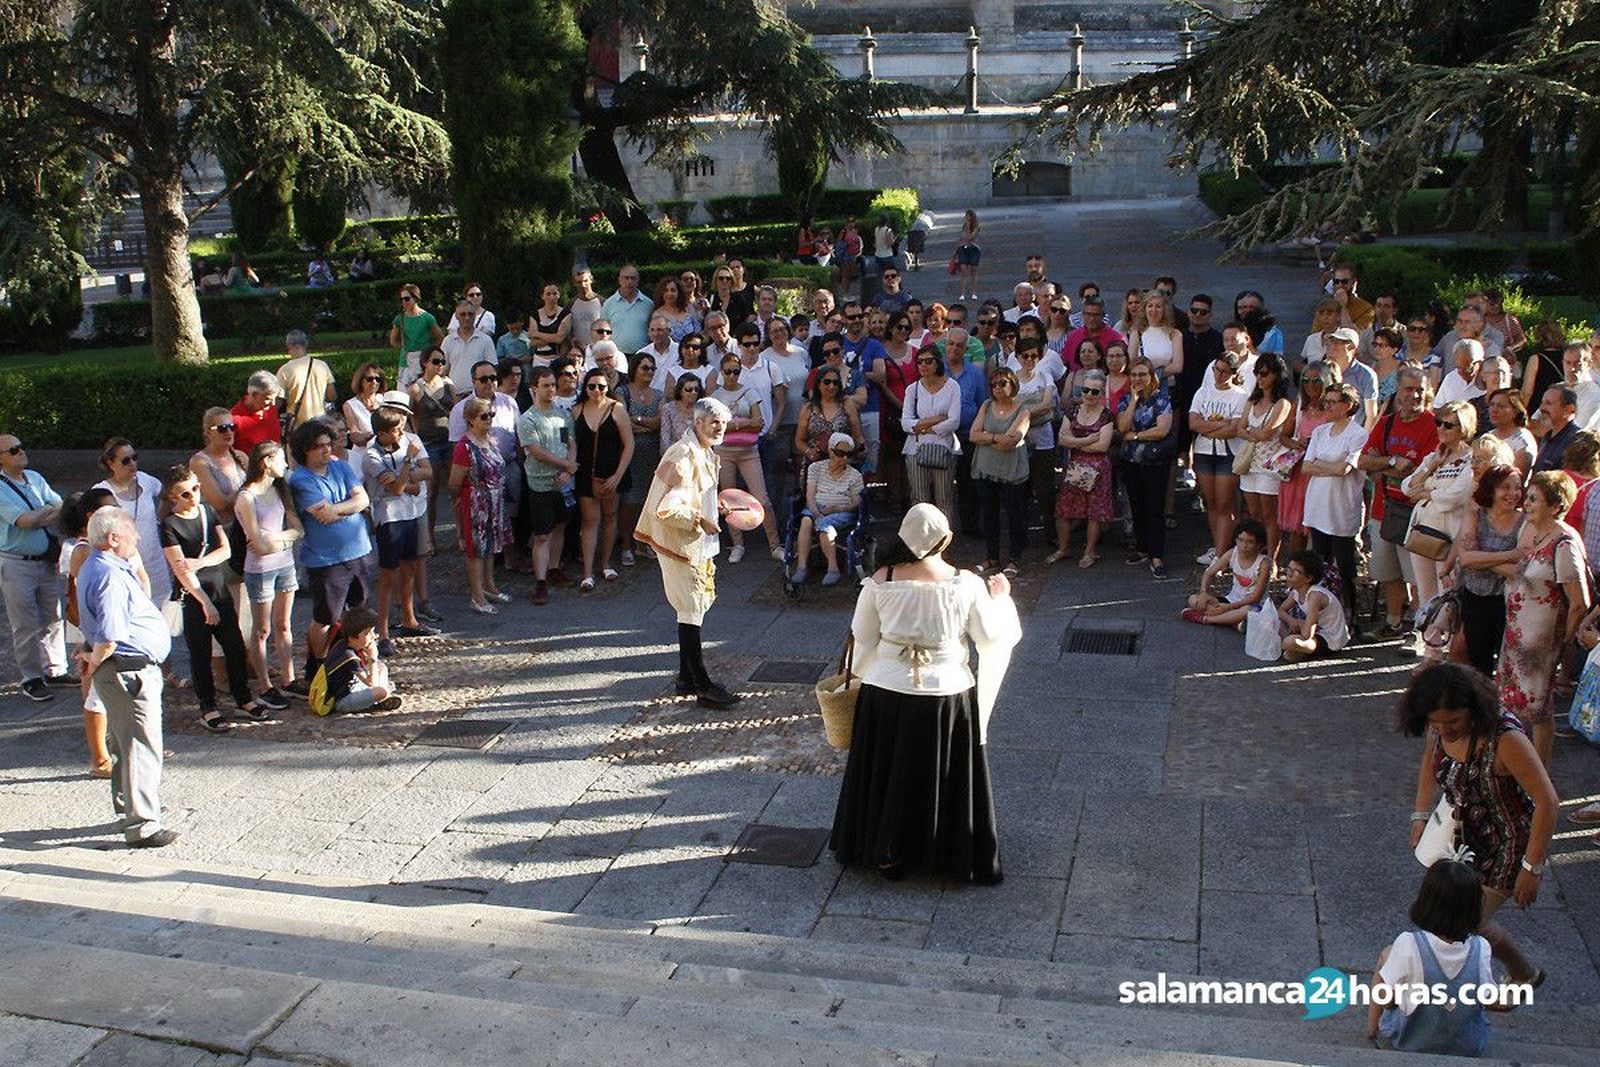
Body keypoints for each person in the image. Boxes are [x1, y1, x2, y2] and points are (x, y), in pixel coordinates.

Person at [830, 503, 1021, 883]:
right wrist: (1002, 597)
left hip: (886, 692)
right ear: (945, 539)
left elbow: (863, 638)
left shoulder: (879, 581)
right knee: (939, 775)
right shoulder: (966, 584)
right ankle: (945, 852)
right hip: (947, 694)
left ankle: (887, 850)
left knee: (890, 773)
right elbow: (991, 637)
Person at [1399, 664, 1558, 994]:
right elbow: (1430, 765)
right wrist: (1419, 814)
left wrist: (1532, 868)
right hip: (1463, 839)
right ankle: (1521, 974)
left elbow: (1547, 801)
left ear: (1473, 709)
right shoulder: (1440, 728)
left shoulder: (1506, 739)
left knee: (1466, 921)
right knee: (1450, 916)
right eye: (1435, 723)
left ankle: (1508, 978)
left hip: (1507, 844)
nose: (1444, 730)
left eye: (1453, 722)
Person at [76, 506, 178, 847]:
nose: (137, 536)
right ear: (113, 538)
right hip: (128, 669)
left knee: (124, 742)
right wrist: (93, 658)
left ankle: (129, 806)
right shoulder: (109, 574)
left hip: (120, 669)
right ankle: (143, 824)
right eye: (131, 530)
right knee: (140, 745)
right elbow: (109, 635)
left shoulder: (99, 566)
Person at [635, 397, 741, 709]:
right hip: (680, 541)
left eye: (722, 422)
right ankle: (702, 684)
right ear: (698, 423)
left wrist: (714, 506)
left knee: (691, 609)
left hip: (693, 540)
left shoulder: (704, 451)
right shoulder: (683, 454)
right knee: (691, 607)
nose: (720, 428)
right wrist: (699, 519)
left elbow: (695, 494)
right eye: (714, 422)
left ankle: (685, 677)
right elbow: (667, 507)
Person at [159, 465, 273, 732]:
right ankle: (207, 707)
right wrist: (204, 602)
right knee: (200, 653)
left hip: (219, 589)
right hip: (194, 597)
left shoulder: (208, 512)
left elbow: (225, 551)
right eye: (186, 493)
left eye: (196, 489)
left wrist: (197, 563)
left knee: (234, 646)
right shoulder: (169, 525)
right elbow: (180, 571)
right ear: (174, 498)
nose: (194, 496)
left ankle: (243, 697)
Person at [1499, 470, 1589, 765]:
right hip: (1517, 634)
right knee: (1514, 704)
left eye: (1534, 499)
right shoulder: (1534, 532)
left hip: (1541, 641)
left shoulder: (1564, 543)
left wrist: (1563, 643)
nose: (1526, 503)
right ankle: (1518, 766)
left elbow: (1580, 602)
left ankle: (1539, 773)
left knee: (1537, 709)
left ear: (1555, 506)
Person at [1366, 859, 1493, 1055]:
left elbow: (1387, 1001)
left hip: (1408, 1043)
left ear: (1426, 901)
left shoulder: (1408, 943)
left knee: (1386, 954)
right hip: (1466, 1048)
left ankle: (1372, 1030)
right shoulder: (1481, 948)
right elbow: (1488, 998)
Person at [287, 419, 371, 688]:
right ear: (305, 451)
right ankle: (317, 666)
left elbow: (363, 499)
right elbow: (323, 515)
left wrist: (339, 509)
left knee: (357, 612)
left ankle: (350, 662)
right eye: (318, 447)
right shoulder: (301, 479)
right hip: (326, 560)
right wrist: (350, 507)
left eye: (328, 444)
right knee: (326, 618)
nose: (326, 450)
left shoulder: (341, 466)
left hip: (357, 551)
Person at [1358, 368, 1438, 643]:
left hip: (1417, 514)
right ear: (1397, 392)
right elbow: (1363, 462)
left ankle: (1419, 630)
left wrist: (1384, 465)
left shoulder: (1434, 425)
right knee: (1388, 572)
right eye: (1408, 389)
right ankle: (1392, 623)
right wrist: (1392, 462)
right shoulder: (1387, 423)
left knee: (1417, 577)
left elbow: (1422, 474)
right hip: (1384, 508)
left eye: (1420, 389)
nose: (1415, 395)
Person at [0, 433, 70, 701]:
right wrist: (43, 514)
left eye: (21, 446)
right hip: (16, 564)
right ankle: (31, 676)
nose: (21, 452)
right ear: (1, 459)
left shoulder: (35, 478)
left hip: (45, 561)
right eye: (14, 450)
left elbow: (61, 506)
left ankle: (56, 669)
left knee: (54, 616)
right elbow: (24, 522)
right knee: (25, 623)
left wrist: (38, 516)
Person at [234, 442, 302, 706]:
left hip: (284, 564)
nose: (285, 465)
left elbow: (298, 528)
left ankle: (289, 678)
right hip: (261, 570)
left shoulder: (280, 488)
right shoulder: (246, 497)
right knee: (262, 629)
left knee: (283, 624)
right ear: (266, 461)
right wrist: (285, 538)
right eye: (281, 459)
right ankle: (264, 685)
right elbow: (257, 545)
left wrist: (276, 539)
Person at [364, 408, 436, 654]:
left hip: (411, 513)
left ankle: (409, 619)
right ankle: (383, 632)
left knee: (411, 567)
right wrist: (408, 465)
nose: (400, 434)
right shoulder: (372, 457)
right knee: (388, 576)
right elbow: (397, 488)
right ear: (382, 434)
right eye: (395, 431)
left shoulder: (406, 442)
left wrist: (409, 483)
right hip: (390, 518)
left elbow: (425, 475)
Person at [58, 491, 117, 774]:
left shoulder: (99, 545)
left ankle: (109, 741)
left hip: (99, 624)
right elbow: (86, 595)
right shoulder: (83, 550)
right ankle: (101, 755)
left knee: (97, 682)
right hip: (92, 625)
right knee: (93, 684)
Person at [1401, 400, 1477, 611]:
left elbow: (1456, 496)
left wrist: (1425, 493)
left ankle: (1449, 641)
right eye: (1439, 422)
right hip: (1422, 532)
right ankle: (1430, 642)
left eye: (1448, 425)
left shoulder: (1471, 460)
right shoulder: (1433, 456)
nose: (1441, 428)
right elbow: (1407, 486)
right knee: (1426, 593)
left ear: (1463, 429)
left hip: (1449, 535)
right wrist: (1431, 467)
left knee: (1448, 594)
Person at [1301, 383, 1369, 614]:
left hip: (1341, 509)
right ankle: (1320, 609)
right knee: (1320, 563)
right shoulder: (1320, 431)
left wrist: (1324, 465)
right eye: (1325, 401)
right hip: (1318, 506)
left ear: (1347, 405)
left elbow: (1346, 469)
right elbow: (1307, 466)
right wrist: (1331, 466)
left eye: (1332, 402)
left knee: (1345, 565)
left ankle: (1351, 612)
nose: (1326, 406)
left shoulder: (1358, 434)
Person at [1455, 464, 1524, 678]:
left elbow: (1520, 572)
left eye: (1518, 488)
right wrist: (1510, 554)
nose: (1513, 494)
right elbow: (1466, 559)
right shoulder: (1475, 515)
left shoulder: (1525, 522)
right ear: (1491, 489)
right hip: (1475, 599)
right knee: (1479, 662)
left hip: (1509, 601)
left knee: (1508, 664)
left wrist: (1481, 558)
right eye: (1505, 487)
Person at [92, 438, 171, 623]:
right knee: (131, 615)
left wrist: (160, 518)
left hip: (155, 560)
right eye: (125, 460)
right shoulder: (102, 491)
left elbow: (168, 494)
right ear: (111, 463)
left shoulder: (146, 480)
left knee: (162, 616)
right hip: (125, 563)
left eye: (134, 458)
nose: (132, 464)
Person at [711, 355, 780, 563]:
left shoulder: (749, 392)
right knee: (729, 500)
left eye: (736, 371)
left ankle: (775, 545)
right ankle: (737, 543)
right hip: (724, 452)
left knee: (763, 499)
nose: (732, 376)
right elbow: (715, 426)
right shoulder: (716, 395)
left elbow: (759, 422)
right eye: (728, 371)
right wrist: (744, 423)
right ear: (721, 372)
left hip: (749, 451)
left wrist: (731, 424)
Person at [517, 368, 578, 606]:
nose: (551, 389)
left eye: (553, 384)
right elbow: (535, 451)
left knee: (560, 527)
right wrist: (566, 465)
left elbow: (570, 442)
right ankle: (540, 581)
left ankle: (554, 568)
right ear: (534, 388)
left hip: (564, 482)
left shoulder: (564, 415)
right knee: (543, 534)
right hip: (541, 483)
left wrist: (569, 467)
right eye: (545, 385)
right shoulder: (528, 419)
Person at [449, 396, 513, 612]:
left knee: (491, 546)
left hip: (494, 502)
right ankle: (477, 595)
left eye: (491, 415)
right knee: (476, 550)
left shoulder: (490, 440)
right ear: (470, 419)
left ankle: (490, 586)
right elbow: (454, 483)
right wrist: (463, 500)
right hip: (475, 503)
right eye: (484, 416)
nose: (489, 420)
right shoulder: (464, 447)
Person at [573, 367, 634, 590]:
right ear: (585, 387)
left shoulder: (617, 409)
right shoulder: (576, 410)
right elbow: (573, 445)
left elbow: (629, 444)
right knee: (590, 521)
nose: (596, 390)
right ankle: (587, 573)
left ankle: (606, 563)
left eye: (601, 386)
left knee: (610, 516)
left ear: (608, 388)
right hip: (586, 474)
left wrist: (618, 475)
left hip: (612, 473)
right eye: (591, 386)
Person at [1188, 350, 1249, 565]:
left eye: (1224, 371)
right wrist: (1219, 426)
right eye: (1216, 370)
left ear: (1233, 373)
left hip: (1228, 454)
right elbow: (1193, 423)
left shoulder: (1241, 396)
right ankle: (1218, 548)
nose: (1219, 375)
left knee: (1225, 504)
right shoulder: (1202, 393)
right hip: (1204, 452)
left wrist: (1208, 428)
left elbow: (1233, 429)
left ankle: (1222, 554)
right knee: (1211, 502)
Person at [1117, 356, 1177, 579]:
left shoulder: (1161, 399)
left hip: (1155, 461)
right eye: (1134, 375)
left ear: (1151, 376)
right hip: (1131, 461)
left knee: (1154, 507)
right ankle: (1142, 548)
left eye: (1142, 374)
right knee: (1137, 505)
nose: (1138, 378)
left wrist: (1136, 435)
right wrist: (1133, 402)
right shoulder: (1126, 400)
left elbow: (1162, 430)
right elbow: (1122, 427)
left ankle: (1157, 555)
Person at [969, 367, 1032, 576]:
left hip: (1012, 471)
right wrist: (997, 437)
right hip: (985, 469)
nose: (997, 388)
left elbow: (1013, 440)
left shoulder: (1023, 410)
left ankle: (1015, 558)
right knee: (989, 515)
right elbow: (973, 435)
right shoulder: (986, 406)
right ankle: (991, 557)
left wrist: (988, 436)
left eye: (1002, 383)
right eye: (993, 384)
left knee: (1015, 515)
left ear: (1012, 384)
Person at [1049, 369, 1115, 568]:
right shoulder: (1073, 412)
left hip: (1098, 469)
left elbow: (1102, 446)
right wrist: (1086, 440)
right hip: (1075, 467)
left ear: (1102, 393)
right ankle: (1063, 548)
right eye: (1086, 390)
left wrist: (1074, 441)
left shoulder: (1106, 415)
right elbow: (1061, 439)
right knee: (1063, 510)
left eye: (1095, 391)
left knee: (1094, 512)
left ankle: (1089, 551)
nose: (1089, 394)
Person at [1235, 352, 1293, 567]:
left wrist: (1251, 432)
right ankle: (1256, 557)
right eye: (1257, 373)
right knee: (1253, 513)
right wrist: (1253, 432)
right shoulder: (1252, 400)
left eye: (1265, 373)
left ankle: (1272, 559)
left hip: (1269, 465)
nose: (1260, 378)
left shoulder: (1282, 403)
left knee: (1270, 516)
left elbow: (1267, 433)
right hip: (1250, 464)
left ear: (1276, 375)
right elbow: (1239, 428)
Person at [792, 432, 866, 586]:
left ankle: (833, 569)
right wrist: (817, 513)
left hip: (842, 511)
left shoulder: (855, 475)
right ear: (831, 451)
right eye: (840, 453)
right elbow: (810, 495)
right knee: (806, 521)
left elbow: (857, 502)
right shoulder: (815, 468)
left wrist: (837, 508)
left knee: (825, 527)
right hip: (817, 507)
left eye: (848, 454)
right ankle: (802, 567)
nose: (845, 458)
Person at [900, 345, 960, 525]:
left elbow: (953, 422)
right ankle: (921, 545)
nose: (923, 365)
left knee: (944, 499)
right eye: (919, 362)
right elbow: (905, 423)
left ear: (938, 362)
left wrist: (921, 426)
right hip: (915, 449)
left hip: (944, 448)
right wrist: (933, 421)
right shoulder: (912, 389)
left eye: (928, 361)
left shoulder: (952, 386)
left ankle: (944, 543)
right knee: (919, 500)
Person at [617, 352, 663, 565]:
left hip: (652, 452)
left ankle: (644, 542)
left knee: (648, 500)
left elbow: (658, 423)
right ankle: (626, 544)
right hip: (630, 452)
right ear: (635, 368)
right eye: (645, 367)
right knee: (629, 501)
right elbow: (622, 421)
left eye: (652, 368)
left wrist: (637, 420)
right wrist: (645, 422)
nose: (649, 372)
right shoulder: (622, 391)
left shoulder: (658, 394)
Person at [1182, 517, 1270, 627]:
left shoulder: (1263, 563)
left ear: (1259, 545)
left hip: (1252, 605)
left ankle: (1207, 619)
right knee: (1193, 599)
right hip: (1230, 600)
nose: (1244, 546)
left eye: (1250, 542)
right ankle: (1231, 621)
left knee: (1246, 611)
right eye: (1240, 540)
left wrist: (1227, 608)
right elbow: (1209, 573)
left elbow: (1255, 597)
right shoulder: (1232, 553)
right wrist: (1203, 593)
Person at [410, 346, 456, 558]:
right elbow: (411, 417)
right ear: (424, 363)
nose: (440, 365)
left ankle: (462, 536)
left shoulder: (448, 384)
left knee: (455, 489)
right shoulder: (415, 389)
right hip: (428, 443)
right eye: (435, 361)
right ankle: (429, 537)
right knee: (432, 492)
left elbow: (455, 411)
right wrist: (415, 438)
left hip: (449, 442)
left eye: (442, 361)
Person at [316, 606, 401, 713]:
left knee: (381, 667)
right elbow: (372, 684)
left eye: (373, 632)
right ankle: (381, 697)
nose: (373, 636)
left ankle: (379, 696)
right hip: (342, 700)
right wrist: (373, 657)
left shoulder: (345, 643)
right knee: (381, 691)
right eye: (367, 634)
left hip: (355, 684)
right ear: (353, 636)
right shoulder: (349, 656)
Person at [1278, 550, 1348, 658]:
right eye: (1289, 570)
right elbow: (1281, 611)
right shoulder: (1296, 591)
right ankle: (1293, 651)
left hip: (1328, 638)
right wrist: (1292, 621)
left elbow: (1307, 634)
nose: (1289, 575)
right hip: (1313, 631)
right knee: (1272, 621)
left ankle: (1293, 649)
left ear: (1309, 578)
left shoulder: (1315, 596)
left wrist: (1300, 624)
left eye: (1296, 572)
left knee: (1289, 642)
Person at [276, 330, 335, 432]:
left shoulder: (284, 370)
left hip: (298, 424)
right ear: (305, 345)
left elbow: (278, 402)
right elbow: (332, 395)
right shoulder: (322, 365)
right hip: (321, 421)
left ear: (288, 346)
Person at [388, 285, 444, 387]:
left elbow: (440, 337)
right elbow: (393, 340)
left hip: (423, 359)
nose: (404, 302)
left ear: (416, 298)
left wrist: (429, 350)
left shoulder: (427, 318)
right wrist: (405, 348)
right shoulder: (400, 319)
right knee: (404, 393)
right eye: (402, 299)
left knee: (423, 390)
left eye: (407, 299)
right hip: (406, 361)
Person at [1485, 387, 1536, 476]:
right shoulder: (1488, 436)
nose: (1494, 410)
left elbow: (1516, 476)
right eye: (1492, 405)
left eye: (1501, 406)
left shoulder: (1523, 441)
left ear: (1515, 411)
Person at [230, 371, 283, 455]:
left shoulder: (270, 408)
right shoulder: (234, 419)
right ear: (254, 395)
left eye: (274, 399)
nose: (273, 403)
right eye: (268, 399)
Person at [343, 362, 386, 449]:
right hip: (363, 453)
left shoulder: (385, 400)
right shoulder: (350, 405)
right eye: (370, 379)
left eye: (377, 379)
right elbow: (355, 436)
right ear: (360, 381)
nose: (374, 382)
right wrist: (376, 435)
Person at [955, 209, 981, 300]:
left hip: (974, 249)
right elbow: (962, 238)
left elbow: (970, 237)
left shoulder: (976, 227)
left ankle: (974, 293)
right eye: (966, 216)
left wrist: (968, 227)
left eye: (968, 216)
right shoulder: (964, 226)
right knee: (963, 271)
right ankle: (962, 293)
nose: (966, 218)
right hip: (963, 249)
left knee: (973, 271)